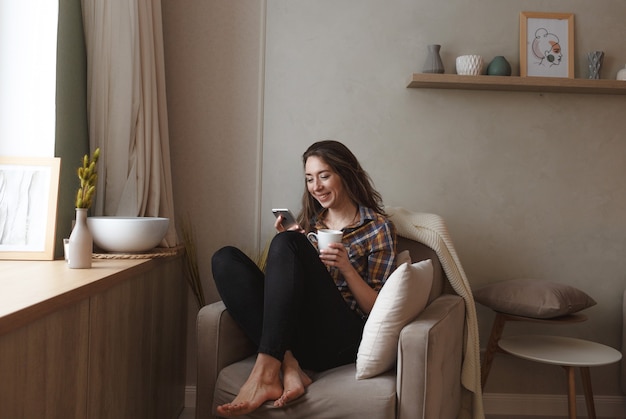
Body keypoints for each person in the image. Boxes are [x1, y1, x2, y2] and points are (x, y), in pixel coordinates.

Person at [211, 140, 397, 416]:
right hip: (298, 333)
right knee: (225, 259)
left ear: (345, 174)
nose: (316, 187)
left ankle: (264, 374)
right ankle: (288, 364)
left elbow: (378, 309)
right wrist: (287, 254)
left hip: (342, 339)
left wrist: (346, 267)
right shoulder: (310, 225)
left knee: (289, 243)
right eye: (310, 179)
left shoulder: (378, 228)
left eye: (324, 176)